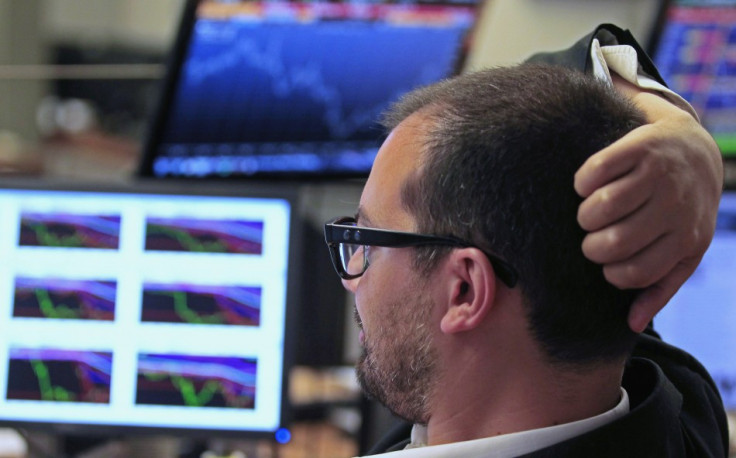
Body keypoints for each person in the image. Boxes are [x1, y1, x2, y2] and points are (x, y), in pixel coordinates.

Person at [323, 63, 727, 456]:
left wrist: (674, 128)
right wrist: (682, 131)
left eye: (368, 241)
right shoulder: (680, 410)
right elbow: (568, 72)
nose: (351, 278)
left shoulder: (686, 400)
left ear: (464, 289)